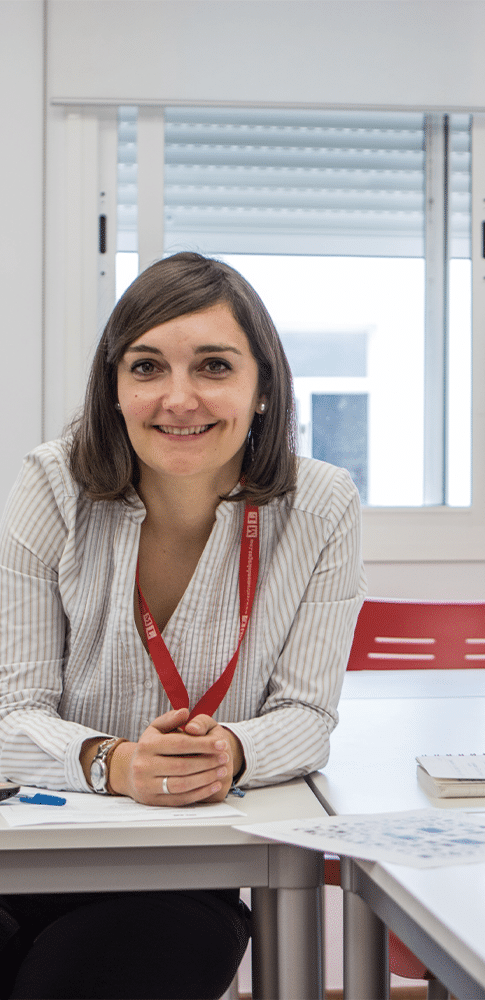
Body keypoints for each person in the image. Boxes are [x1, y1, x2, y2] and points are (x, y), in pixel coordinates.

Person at [0, 253, 366, 999]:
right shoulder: (51, 483)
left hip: (185, 873)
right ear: (114, 388)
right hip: (28, 852)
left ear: (263, 389)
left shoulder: (322, 504)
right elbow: (12, 713)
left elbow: (307, 716)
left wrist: (228, 751)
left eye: (213, 366)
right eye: (146, 367)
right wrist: (116, 763)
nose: (178, 398)